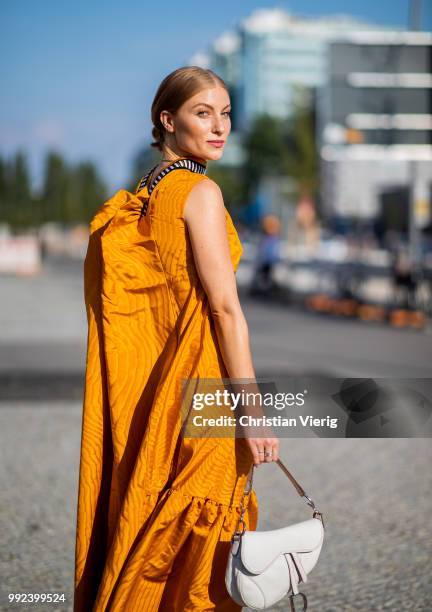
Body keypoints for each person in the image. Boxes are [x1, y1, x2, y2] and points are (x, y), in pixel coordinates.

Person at [73, 66, 279, 611]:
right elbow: (224, 309)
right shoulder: (199, 192)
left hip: (151, 406)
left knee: (146, 532)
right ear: (167, 119)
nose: (220, 127)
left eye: (226, 113)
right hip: (203, 402)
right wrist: (253, 411)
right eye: (202, 113)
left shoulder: (136, 198)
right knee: (197, 561)